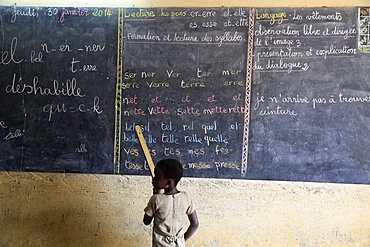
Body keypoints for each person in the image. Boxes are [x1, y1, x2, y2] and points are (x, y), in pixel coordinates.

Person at [143, 159, 199, 247]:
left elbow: (146, 221)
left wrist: (156, 193)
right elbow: (195, 224)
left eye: (157, 177)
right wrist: (182, 240)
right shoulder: (186, 197)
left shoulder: (156, 199)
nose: (153, 180)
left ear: (168, 182)